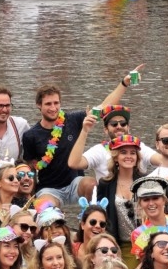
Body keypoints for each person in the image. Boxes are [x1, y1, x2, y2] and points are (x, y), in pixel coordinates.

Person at [22, 66, 143, 208]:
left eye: (56, 103)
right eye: (48, 104)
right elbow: (31, 168)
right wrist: (28, 195)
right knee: (45, 208)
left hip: (75, 183)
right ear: (38, 105)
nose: (53, 108)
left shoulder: (74, 119)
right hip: (49, 188)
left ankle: (97, 220)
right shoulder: (30, 135)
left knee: (92, 184)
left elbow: (104, 106)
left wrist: (124, 83)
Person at [68, 105, 157, 182]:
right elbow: (74, 164)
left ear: (128, 127)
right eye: (114, 124)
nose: (119, 127)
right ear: (106, 130)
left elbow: (162, 161)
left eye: (123, 123)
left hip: (136, 195)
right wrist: (84, 130)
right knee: (87, 182)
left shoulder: (140, 147)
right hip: (107, 196)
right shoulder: (99, 150)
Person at [97, 135, 144, 269]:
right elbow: (101, 215)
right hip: (117, 244)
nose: (128, 156)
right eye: (123, 152)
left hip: (142, 243)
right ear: (116, 157)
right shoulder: (105, 184)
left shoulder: (144, 182)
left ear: (137, 158)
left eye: (132, 153)